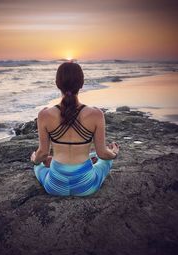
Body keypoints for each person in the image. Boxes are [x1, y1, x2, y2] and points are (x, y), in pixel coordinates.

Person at [30, 62, 119, 196]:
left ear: (57, 84)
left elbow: (42, 153)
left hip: (55, 186)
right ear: (82, 84)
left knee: (38, 165)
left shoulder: (45, 115)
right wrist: (114, 153)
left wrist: (35, 160)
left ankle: (52, 161)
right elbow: (102, 153)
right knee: (106, 159)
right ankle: (89, 159)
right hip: (85, 186)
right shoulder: (96, 114)